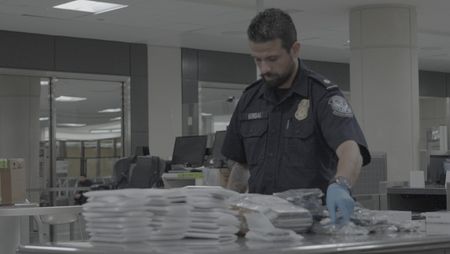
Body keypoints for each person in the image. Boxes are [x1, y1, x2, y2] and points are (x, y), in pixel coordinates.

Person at [221, 8, 371, 225]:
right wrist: (229, 206)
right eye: (257, 60)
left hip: (315, 227)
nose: (264, 68)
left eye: (272, 59)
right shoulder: (250, 99)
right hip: (264, 228)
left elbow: (351, 150)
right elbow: (241, 165)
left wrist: (340, 185)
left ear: (295, 49)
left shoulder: (322, 95)